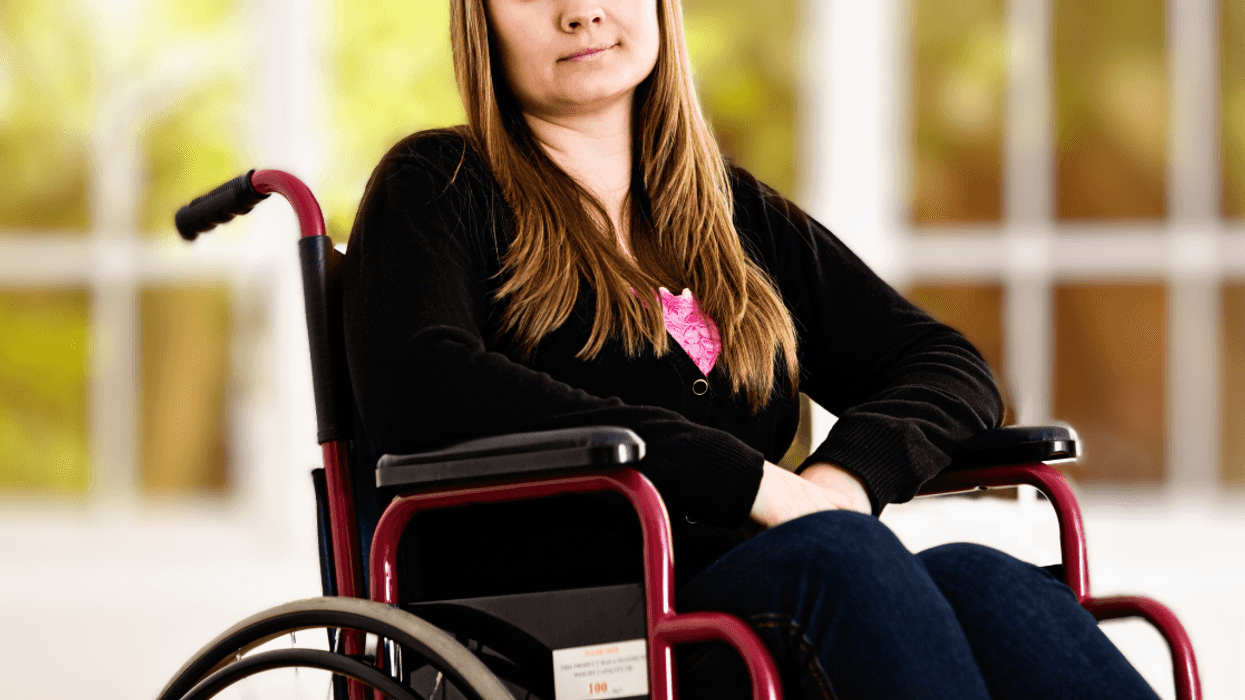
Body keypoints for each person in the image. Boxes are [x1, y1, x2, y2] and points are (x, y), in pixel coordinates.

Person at [342, 0, 1161, 698]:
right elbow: (424, 384)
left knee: (980, 580)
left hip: (747, 599)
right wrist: (748, 483)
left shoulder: (725, 214)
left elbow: (943, 365)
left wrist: (841, 480)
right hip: (557, 634)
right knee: (836, 558)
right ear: (480, 21)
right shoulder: (437, 185)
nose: (581, 11)